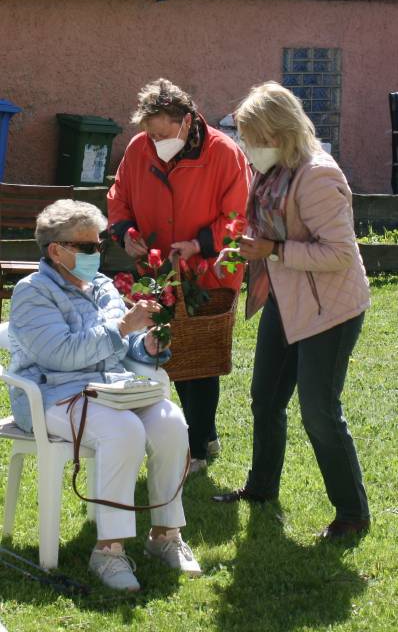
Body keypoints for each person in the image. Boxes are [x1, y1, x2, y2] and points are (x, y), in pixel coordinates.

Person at [7, 199, 201, 591]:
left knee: (171, 423)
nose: (98, 254)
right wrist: (122, 329)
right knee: (122, 430)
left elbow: (122, 347)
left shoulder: (102, 287)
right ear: (56, 250)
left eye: (99, 246)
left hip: (110, 389)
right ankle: (108, 552)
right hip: (52, 396)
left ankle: (165, 535)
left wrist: (147, 344)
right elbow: (59, 354)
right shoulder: (32, 293)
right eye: (88, 247)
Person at [213, 82, 370, 539]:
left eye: (252, 136)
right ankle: (261, 488)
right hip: (286, 298)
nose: (246, 146)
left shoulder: (318, 175)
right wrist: (248, 252)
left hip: (331, 309)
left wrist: (275, 250)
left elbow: (340, 253)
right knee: (265, 396)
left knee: (319, 411)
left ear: (279, 132)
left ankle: (352, 514)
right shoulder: (272, 169)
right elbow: (264, 228)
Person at [107, 78, 251, 473]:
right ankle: (201, 434)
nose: (154, 141)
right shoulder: (139, 149)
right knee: (163, 351)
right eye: (149, 133)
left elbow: (238, 217)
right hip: (156, 269)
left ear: (186, 121)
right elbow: (118, 197)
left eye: (161, 133)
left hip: (208, 271)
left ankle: (199, 448)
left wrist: (200, 244)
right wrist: (126, 233)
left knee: (200, 356)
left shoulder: (225, 153)